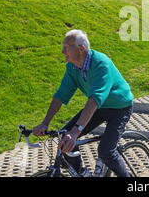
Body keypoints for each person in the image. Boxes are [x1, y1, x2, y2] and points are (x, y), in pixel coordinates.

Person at [32, 30, 134, 177]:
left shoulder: (101, 64)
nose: (62, 51)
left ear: (81, 48)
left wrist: (75, 132)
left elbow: (94, 101)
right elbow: (61, 95)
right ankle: (82, 172)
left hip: (120, 107)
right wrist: (45, 123)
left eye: (66, 47)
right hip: (101, 107)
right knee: (64, 141)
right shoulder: (72, 67)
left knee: (106, 151)